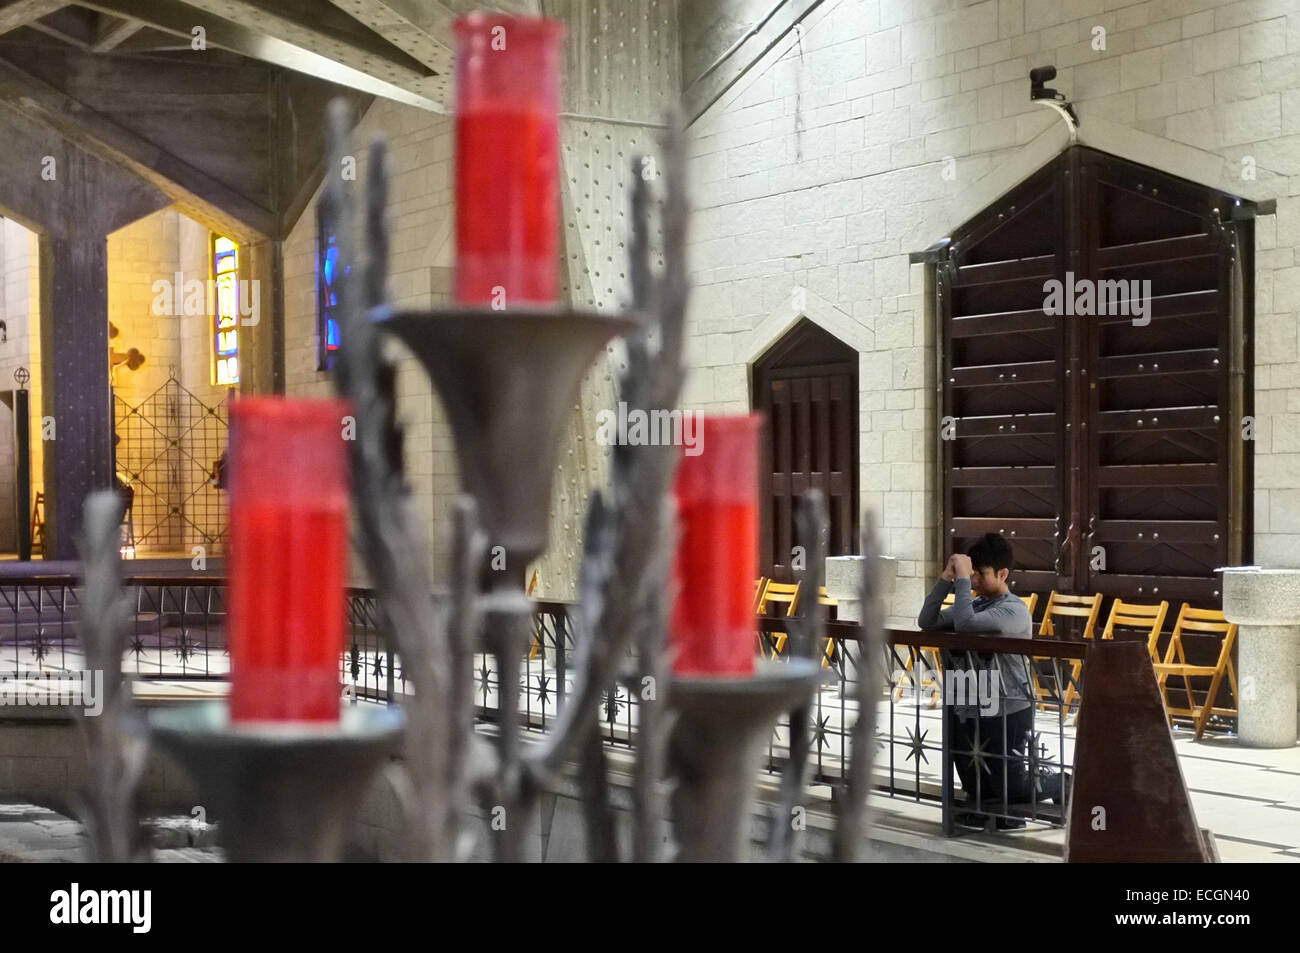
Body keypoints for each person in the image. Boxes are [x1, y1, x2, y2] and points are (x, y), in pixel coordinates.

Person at [917, 533, 1068, 831]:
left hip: (1008, 703)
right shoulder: (978, 605)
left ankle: (1059, 782)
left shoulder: (1013, 610)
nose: (972, 580)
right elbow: (926, 621)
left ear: (1003, 574)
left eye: (979, 574)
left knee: (1008, 781)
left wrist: (959, 582)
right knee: (971, 768)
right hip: (972, 698)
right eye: (971, 573)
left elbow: (965, 626)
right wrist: (946, 579)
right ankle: (988, 810)